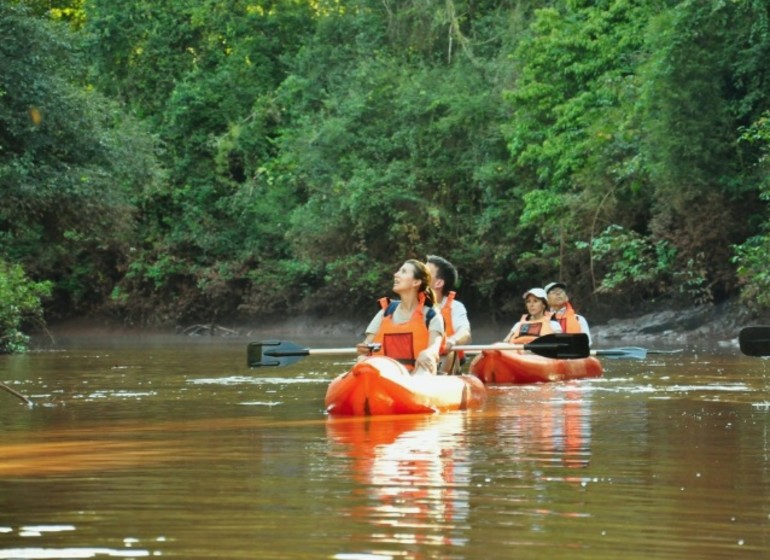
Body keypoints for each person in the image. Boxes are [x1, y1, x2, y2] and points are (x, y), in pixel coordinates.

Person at [357, 259, 445, 375]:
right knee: (362, 361)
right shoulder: (385, 312)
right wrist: (363, 350)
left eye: (403, 272)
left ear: (416, 282)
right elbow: (366, 346)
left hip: (418, 375)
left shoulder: (431, 315)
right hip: (385, 376)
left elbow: (434, 347)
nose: (396, 274)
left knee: (425, 364)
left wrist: (428, 352)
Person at [426, 255, 472, 375]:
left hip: (442, 358)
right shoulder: (405, 305)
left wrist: (452, 341)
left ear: (438, 283)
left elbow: (464, 332)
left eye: (425, 273)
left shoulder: (455, 307)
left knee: (450, 351)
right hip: (414, 359)